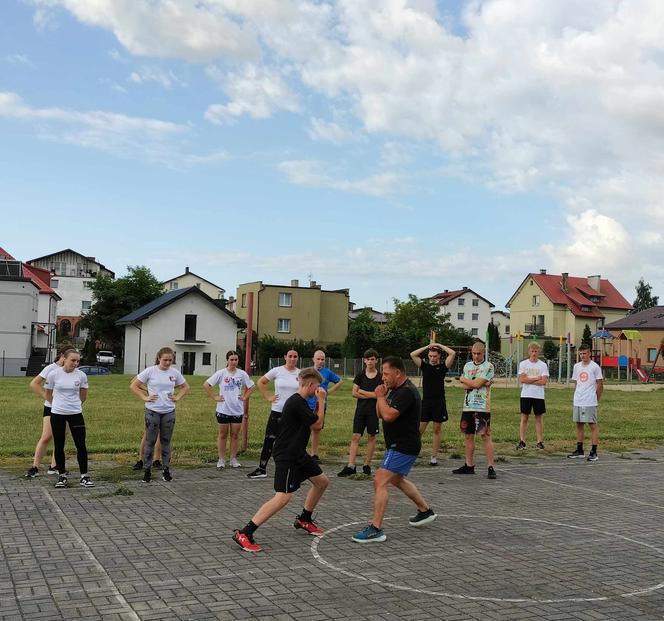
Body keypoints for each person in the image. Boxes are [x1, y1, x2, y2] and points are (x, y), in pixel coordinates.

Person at [233, 368, 328, 552]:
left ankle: (304, 519)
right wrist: (322, 400)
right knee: (282, 497)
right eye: (317, 387)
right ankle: (245, 532)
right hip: (287, 455)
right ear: (309, 385)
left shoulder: (301, 401)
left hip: (299, 453)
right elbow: (318, 425)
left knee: (321, 482)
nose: (318, 390)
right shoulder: (297, 402)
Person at [352, 356, 437, 544]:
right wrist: (380, 396)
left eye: (387, 374)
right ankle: (425, 511)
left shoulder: (406, 392)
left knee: (380, 480)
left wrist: (381, 397)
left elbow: (388, 416)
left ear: (398, 373)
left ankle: (376, 529)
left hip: (404, 445)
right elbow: (379, 413)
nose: (384, 378)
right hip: (400, 444)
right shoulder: (394, 390)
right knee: (397, 480)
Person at [130, 347, 189, 483]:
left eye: (170, 360)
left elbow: (185, 386)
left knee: (165, 441)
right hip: (153, 410)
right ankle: (147, 470)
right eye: (165, 360)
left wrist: (178, 397)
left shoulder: (174, 372)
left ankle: (166, 469)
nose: (168, 363)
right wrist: (145, 397)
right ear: (159, 358)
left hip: (168, 410)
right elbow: (134, 385)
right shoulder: (151, 371)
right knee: (150, 441)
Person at [44, 348, 94, 488]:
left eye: (78, 361)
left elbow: (83, 395)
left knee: (81, 444)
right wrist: (57, 405)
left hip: (75, 413)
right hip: (57, 413)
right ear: (64, 359)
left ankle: (84, 475)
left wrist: (75, 405)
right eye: (73, 360)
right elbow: (48, 394)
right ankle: (62, 476)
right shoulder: (53, 374)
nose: (75, 363)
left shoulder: (82, 375)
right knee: (59, 445)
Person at [247, 350, 300, 479]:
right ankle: (262, 468)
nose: (292, 359)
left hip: (293, 413)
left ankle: (292, 468)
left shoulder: (300, 373)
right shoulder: (277, 371)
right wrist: (268, 397)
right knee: (269, 439)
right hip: (277, 410)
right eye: (290, 356)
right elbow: (261, 382)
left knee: (291, 442)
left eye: (295, 357)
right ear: (285, 357)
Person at [204, 350, 255, 469]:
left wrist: (245, 397)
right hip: (223, 409)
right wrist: (215, 397)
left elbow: (251, 386)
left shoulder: (242, 374)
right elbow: (206, 385)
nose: (234, 362)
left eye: (236, 360)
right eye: (231, 359)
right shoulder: (221, 373)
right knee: (223, 434)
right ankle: (221, 459)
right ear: (227, 360)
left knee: (235, 435)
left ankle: (233, 458)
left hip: (237, 409)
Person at [453, 342, 497, 479]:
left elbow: (476, 384)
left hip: (482, 406)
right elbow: (465, 387)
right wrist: (476, 383)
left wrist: (463, 379)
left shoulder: (488, 366)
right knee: (468, 436)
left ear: (483, 353)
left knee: (485, 435)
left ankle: (491, 467)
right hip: (468, 406)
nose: (476, 356)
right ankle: (469, 465)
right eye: (474, 353)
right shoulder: (468, 366)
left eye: (479, 353)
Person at [410, 342, 456, 466]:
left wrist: (439, 345)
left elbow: (452, 353)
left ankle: (434, 457)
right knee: (419, 430)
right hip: (426, 403)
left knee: (437, 429)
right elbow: (413, 354)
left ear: (439, 356)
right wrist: (427, 347)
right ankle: (411, 454)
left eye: (435, 356)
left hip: (439, 403)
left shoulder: (443, 367)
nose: (432, 358)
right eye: (430, 356)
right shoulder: (424, 366)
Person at [338, 348, 382, 477]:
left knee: (371, 436)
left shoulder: (380, 377)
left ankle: (367, 464)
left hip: (373, 411)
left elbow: (378, 395)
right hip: (361, 411)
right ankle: (351, 465)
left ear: (376, 361)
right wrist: (370, 395)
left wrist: (362, 392)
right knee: (356, 436)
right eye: (368, 359)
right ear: (364, 361)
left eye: (372, 359)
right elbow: (354, 393)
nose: (370, 361)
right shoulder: (360, 375)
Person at [25, 346, 67, 478]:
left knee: (61, 437)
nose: (75, 362)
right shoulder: (51, 368)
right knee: (47, 436)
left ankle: (55, 466)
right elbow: (34, 384)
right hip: (51, 407)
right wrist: (48, 398)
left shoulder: (71, 369)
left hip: (66, 408)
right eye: (71, 357)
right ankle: (35, 467)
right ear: (62, 355)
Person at [567, 344, 603, 461]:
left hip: (590, 400)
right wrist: (576, 396)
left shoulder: (595, 367)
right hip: (578, 399)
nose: (583, 356)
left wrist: (595, 398)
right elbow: (577, 383)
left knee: (592, 425)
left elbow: (600, 385)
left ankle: (594, 451)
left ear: (589, 353)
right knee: (579, 424)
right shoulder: (577, 367)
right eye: (581, 354)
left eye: (585, 353)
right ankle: (579, 449)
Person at [307, 350, 342, 463]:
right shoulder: (308, 372)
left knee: (317, 429)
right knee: (304, 429)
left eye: (322, 359)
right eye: (318, 359)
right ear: (313, 359)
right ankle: (300, 452)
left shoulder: (327, 372)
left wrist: (329, 391)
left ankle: (314, 454)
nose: (320, 361)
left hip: (321, 404)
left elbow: (339, 381)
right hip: (308, 404)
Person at [516, 342, 549, 450]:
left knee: (538, 418)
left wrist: (529, 380)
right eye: (532, 351)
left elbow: (544, 381)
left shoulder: (543, 365)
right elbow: (522, 379)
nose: (534, 353)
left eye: (536, 351)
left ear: (538, 352)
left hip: (538, 395)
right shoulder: (523, 364)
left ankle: (539, 441)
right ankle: (522, 441)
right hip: (526, 394)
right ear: (529, 351)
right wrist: (536, 378)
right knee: (524, 417)